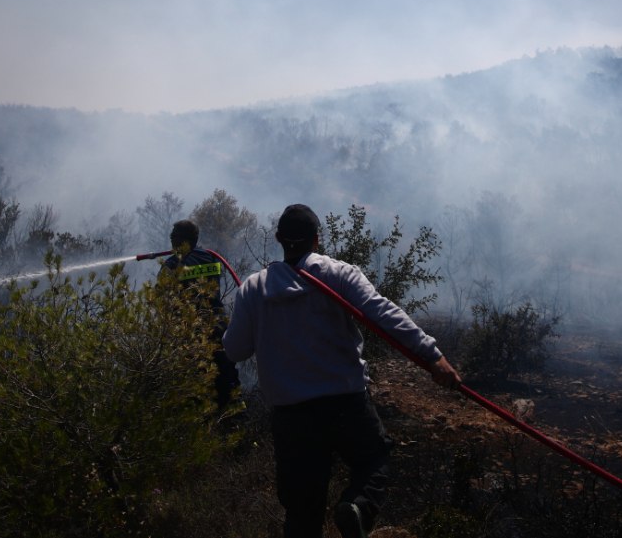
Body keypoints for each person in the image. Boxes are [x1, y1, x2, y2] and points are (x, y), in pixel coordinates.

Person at [222, 204, 461, 538]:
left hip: (292, 418)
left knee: (302, 512)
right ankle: (357, 507)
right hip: (346, 405)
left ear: (278, 238)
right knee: (374, 461)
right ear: (317, 239)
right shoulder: (338, 274)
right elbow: (382, 313)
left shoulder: (253, 288)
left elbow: (234, 350)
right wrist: (433, 356)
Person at [158, 219, 240, 410]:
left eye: (174, 235)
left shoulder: (171, 265)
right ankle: (234, 423)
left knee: (193, 389)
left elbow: (160, 298)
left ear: (184, 240)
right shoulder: (211, 258)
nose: (170, 238)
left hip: (189, 333)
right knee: (226, 379)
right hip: (218, 328)